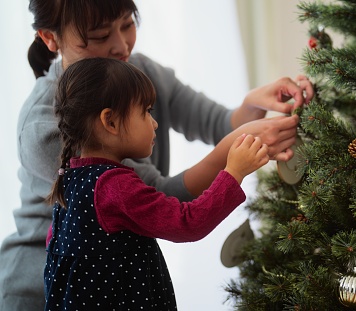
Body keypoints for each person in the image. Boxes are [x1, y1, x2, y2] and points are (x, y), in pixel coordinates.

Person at [0, 1, 314, 309]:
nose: (121, 45)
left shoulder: (136, 72)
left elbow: (213, 120)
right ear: (49, 37)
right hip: (45, 293)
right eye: (99, 36)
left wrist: (250, 108)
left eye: (126, 24)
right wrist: (232, 160)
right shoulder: (44, 127)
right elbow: (156, 203)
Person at [44, 57, 269, 309]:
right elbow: (187, 222)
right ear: (111, 122)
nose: (155, 123)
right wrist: (234, 172)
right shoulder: (114, 187)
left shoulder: (70, 178)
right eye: (146, 111)